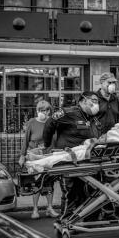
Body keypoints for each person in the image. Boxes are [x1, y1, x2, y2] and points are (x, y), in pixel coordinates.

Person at [43, 91, 101, 221]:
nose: (96, 103)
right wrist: (48, 144)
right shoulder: (69, 113)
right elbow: (49, 123)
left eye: (97, 101)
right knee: (71, 192)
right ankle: (66, 221)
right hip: (70, 161)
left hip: (87, 161)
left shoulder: (93, 119)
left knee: (87, 192)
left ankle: (86, 220)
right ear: (83, 100)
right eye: (93, 100)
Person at [19, 100, 59, 219]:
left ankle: (49, 208)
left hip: (48, 156)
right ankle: (35, 209)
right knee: (36, 182)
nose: (44, 112)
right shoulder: (32, 122)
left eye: (47, 110)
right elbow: (26, 140)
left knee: (49, 182)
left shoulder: (52, 122)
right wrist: (22, 155)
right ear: (37, 111)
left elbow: (56, 139)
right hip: (34, 156)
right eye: (42, 110)